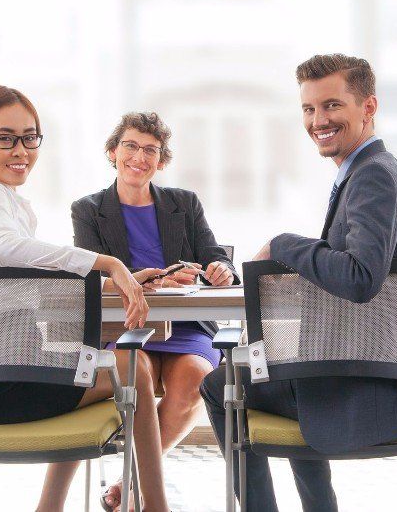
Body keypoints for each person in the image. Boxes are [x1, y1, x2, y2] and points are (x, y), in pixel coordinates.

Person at [200, 53, 397, 512]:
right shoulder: (382, 171)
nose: (318, 120)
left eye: (331, 106)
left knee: (217, 384)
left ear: (369, 107)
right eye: (308, 109)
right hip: (361, 371)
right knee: (292, 362)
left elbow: (361, 278)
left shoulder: (374, 177)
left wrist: (284, 244)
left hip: (358, 386)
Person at [0, 86, 170, 512]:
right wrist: (107, 262)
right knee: (133, 369)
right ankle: (157, 508)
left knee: (86, 361)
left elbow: (34, 282)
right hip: (1, 386)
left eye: (30, 137)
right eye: (5, 138)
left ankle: (50, 508)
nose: (21, 149)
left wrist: (114, 281)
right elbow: (6, 249)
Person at [71, 111, 238, 511]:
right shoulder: (88, 209)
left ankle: (131, 481)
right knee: (135, 371)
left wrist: (220, 270)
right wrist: (152, 280)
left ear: (161, 161)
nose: (139, 157)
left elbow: (215, 257)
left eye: (151, 150)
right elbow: (91, 277)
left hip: (187, 325)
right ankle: (138, 490)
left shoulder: (184, 203)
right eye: (130, 146)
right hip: (129, 324)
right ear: (113, 152)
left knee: (195, 380)